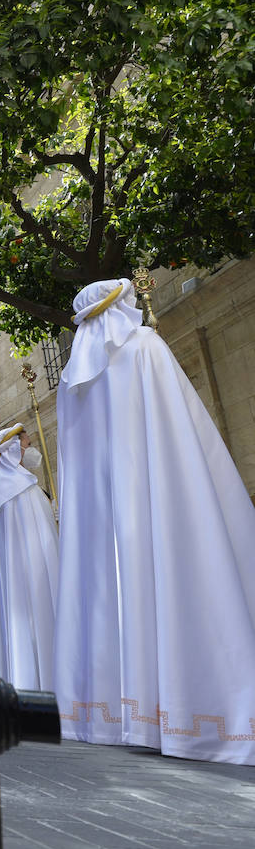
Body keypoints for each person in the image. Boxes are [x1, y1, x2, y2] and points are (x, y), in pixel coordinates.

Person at [53, 278, 255, 765]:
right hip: (154, 494)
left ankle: (116, 712)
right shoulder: (143, 346)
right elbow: (178, 432)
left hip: (105, 520)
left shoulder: (72, 383)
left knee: (114, 596)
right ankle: (183, 714)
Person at [0, 424, 58, 691]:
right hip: (32, 580)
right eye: (26, 444)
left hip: (30, 578)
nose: (31, 448)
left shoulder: (14, 487)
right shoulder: (17, 491)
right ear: (13, 450)